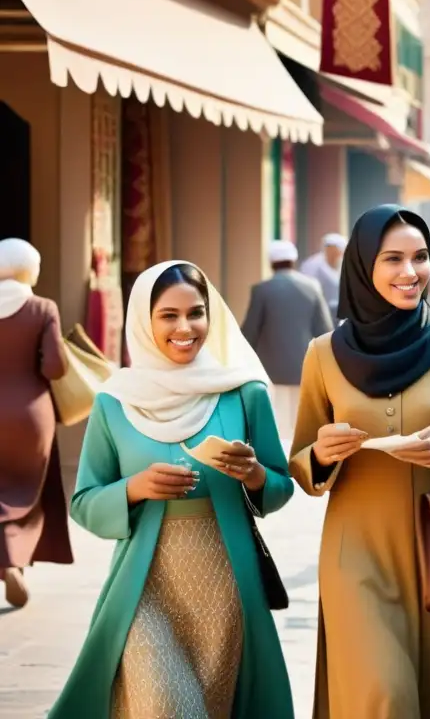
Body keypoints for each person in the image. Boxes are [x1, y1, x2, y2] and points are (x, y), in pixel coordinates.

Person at [289, 205, 430, 718]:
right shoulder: (323, 355)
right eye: (393, 259)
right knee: (383, 696)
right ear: (364, 265)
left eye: (420, 257)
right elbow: (300, 462)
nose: (410, 272)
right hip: (356, 552)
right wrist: (321, 454)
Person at [50, 261, 295, 718]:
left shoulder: (243, 394)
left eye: (196, 313)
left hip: (226, 589)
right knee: (167, 707)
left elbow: (281, 488)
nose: (186, 327)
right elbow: (84, 502)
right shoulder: (115, 401)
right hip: (144, 586)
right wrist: (134, 488)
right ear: (144, 320)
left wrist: (254, 474)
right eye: (168, 315)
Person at [0, 238, 71, 609]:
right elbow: (54, 368)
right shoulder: (41, 307)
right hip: (30, 416)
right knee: (25, 494)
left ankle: (7, 562)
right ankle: (12, 561)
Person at [242, 240, 333, 444]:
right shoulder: (312, 287)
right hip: (305, 366)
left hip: (271, 370)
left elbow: (250, 331)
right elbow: (324, 330)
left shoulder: (262, 290)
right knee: (301, 423)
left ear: (271, 263)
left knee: (278, 423)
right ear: (293, 261)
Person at [301, 232, 347, 316]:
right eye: (339, 250)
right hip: (319, 311)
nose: (341, 253)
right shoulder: (312, 264)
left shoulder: (342, 264)